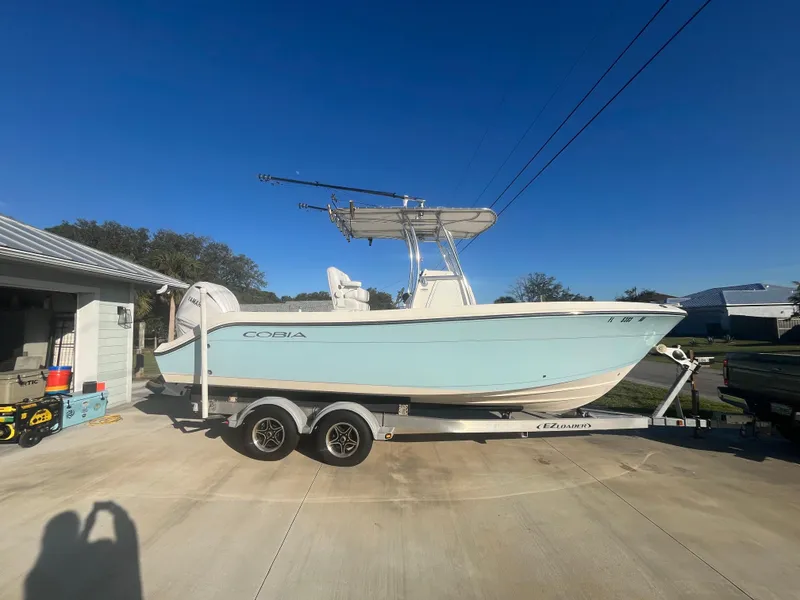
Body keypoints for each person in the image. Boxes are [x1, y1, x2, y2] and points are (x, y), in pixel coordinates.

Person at [25, 502, 142, 600]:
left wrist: (88, 526)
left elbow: (75, 551)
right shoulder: (111, 569)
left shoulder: (36, 580)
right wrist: (117, 511)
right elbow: (128, 543)